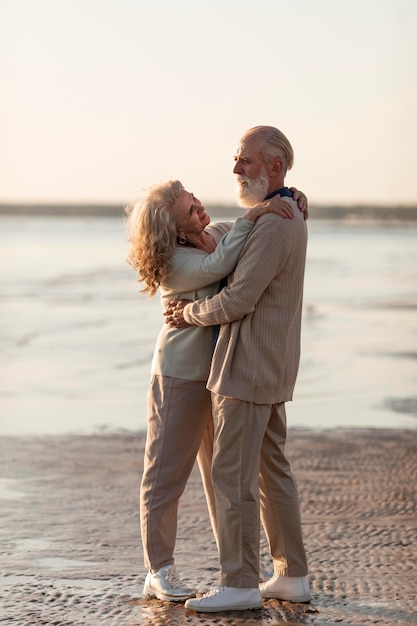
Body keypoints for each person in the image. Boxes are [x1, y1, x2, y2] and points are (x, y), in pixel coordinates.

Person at [125, 179, 308, 603]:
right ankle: (158, 570)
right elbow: (220, 268)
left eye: (195, 201)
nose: (200, 209)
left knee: (218, 477)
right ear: (173, 230)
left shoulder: (218, 234)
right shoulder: (177, 261)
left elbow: (240, 243)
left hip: (220, 376)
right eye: (190, 211)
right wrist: (253, 214)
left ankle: (240, 567)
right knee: (164, 476)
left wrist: (288, 197)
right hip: (178, 377)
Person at [165, 125, 310, 612]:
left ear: (274, 167)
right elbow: (230, 238)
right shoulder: (283, 213)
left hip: (247, 368)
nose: (235, 168)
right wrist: (258, 210)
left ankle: (240, 582)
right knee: (272, 472)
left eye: (245, 160)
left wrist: (187, 313)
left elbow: (238, 300)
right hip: (269, 366)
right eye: (236, 159)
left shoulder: (276, 223)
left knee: (231, 477)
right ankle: (291, 575)